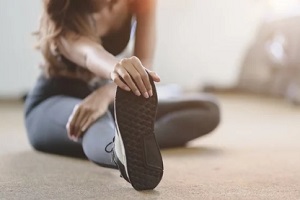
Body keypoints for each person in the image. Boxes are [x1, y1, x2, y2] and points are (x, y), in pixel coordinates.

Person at [24, 0, 220, 190]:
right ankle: (119, 152)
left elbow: (145, 61)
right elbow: (89, 54)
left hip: (104, 95)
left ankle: (132, 140)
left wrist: (104, 94)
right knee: (95, 119)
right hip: (53, 100)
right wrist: (116, 69)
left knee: (208, 109)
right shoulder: (61, 8)